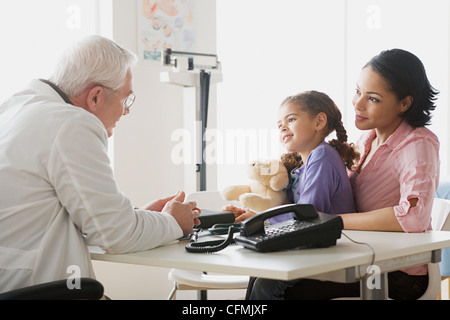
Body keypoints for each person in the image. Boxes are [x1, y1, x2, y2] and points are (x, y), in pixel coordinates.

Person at [0, 35, 200, 293]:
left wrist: (139, 217)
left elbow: (75, 219)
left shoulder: (15, 108)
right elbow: (115, 236)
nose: (126, 111)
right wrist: (173, 221)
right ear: (95, 97)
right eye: (126, 100)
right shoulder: (71, 124)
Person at [262, 49, 439, 300]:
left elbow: (413, 217)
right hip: (359, 256)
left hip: (396, 272)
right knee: (268, 275)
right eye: (358, 92)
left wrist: (333, 220)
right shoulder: (367, 139)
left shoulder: (417, 144)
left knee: (276, 286)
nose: (357, 104)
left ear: (404, 103)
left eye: (373, 98)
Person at [246, 90, 359, 299]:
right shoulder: (302, 166)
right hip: (314, 248)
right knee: (259, 272)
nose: (283, 127)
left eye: (291, 119)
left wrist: (261, 223)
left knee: (266, 284)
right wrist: (252, 215)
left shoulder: (322, 157)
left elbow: (308, 213)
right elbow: (288, 207)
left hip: (331, 252)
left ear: (319, 122)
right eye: (279, 125)